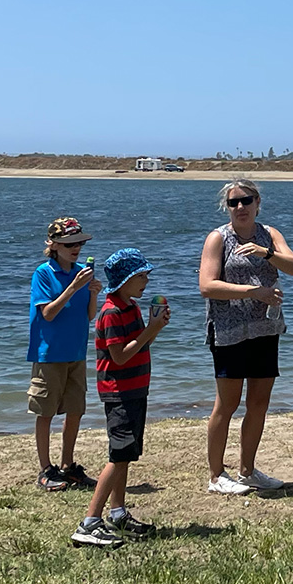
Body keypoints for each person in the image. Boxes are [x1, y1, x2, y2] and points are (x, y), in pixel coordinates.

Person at [199, 179, 293, 495]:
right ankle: (217, 475)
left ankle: (247, 470)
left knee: (258, 402)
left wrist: (267, 253)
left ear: (258, 202)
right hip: (229, 331)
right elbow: (207, 285)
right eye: (234, 203)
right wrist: (253, 292)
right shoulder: (218, 239)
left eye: (246, 201)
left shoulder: (269, 235)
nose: (240, 208)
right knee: (227, 404)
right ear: (227, 208)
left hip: (265, 330)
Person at [70, 249, 169, 548]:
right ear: (123, 281)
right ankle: (89, 522)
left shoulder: (131, 307)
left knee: (127, 453)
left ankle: (118, 512)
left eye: (146, 275)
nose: (145, 281)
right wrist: (150, 329)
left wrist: (155, 327)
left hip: (135, 389)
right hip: (119, 391)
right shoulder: (111, 312)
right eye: (140, 276)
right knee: (119, 454)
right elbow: (120, 356)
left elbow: (138, 346)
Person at [27, 217, 102, 491]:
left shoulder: (84, 271)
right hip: (49, 354)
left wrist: (93, 292)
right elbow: (47, 314)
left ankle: (68, 466)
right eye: (70, 243)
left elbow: (90, 316)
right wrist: (73, 287)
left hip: (76, 352)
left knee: (75, 409)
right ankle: (46, 469)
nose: (76, 248)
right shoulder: (44, 273)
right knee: (45, 411)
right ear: (54, 245)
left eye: (79, 242)